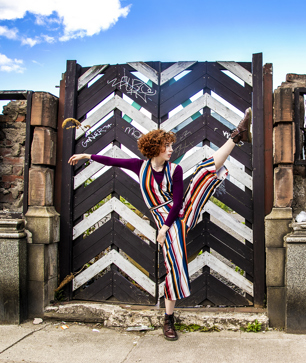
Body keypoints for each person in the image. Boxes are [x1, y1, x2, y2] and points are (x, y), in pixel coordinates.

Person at [68, 108, 252, 341]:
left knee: (204, 171)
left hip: (179, 213)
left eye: (171, 145)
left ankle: (237, 135)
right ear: (155, 148)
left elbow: (176, 203)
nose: (171, 149)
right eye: (167, 146)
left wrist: (165, 228)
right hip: (165, 218)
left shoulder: (174, 170)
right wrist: (87, 156)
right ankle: (168, 318)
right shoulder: (139, 166)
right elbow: (112, 160)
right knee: (173, 262)